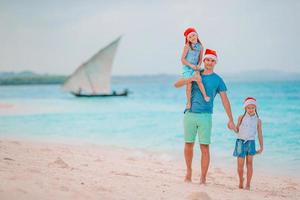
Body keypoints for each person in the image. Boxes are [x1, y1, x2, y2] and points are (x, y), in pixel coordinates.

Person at [174, 49, 236, 184]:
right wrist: (191, 78)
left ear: (215, 63)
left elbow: (225, 100)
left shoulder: (218, 80)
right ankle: (189, 172)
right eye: (207, 59)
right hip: (190, 114)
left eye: (213, 60)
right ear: (204, 61)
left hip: (206, 117)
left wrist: (230, 119)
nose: (210, 62)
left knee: (205, 147)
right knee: (188, 144)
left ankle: (203, 178)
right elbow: (176, 84)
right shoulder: (195, 73)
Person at [233, 97, 264, 190]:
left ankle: (248, 184)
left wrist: (261, 147)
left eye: (252, 108)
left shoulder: (258, 120)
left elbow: (259, 134)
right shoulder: (241, 117)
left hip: (251, 143)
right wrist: (231, 126)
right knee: (240, 165)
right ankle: (241, 181)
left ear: (255, 108)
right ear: (245, 108)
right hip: (240, 142)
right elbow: (237, 130)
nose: (250, 110)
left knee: (249, 163)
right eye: (248, 108)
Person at [181, 27, 210, 109]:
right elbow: (182, 59)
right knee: (189, 84)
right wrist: (190, 65)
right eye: (190, 37)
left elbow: (200, 59)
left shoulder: (200, 47)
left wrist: (198, 66)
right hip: (187, 67)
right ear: (188, 39)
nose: (192, 38)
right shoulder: (187, 47)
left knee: (199, 80)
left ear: (197, 35)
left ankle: (205, 96)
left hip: (195, 67)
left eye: (193, 35)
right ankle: (188, 102)